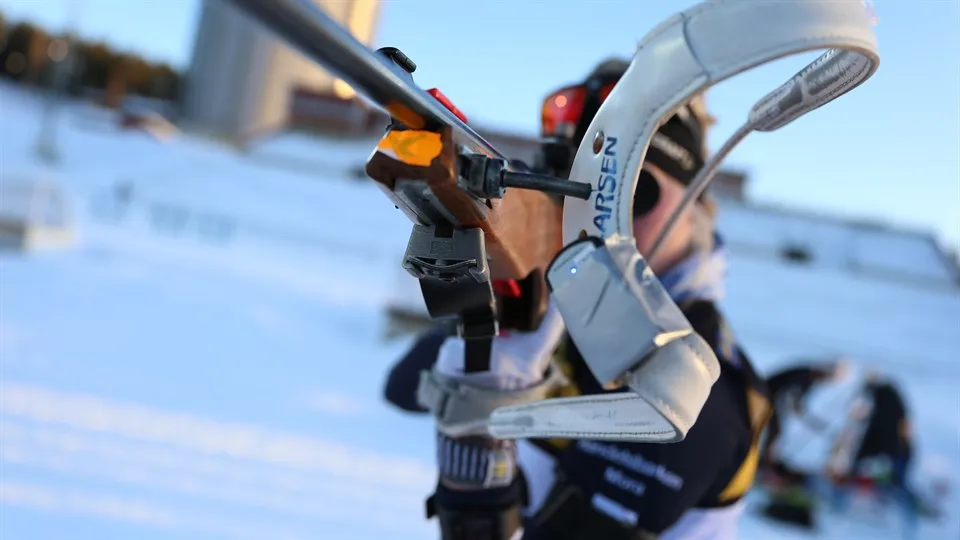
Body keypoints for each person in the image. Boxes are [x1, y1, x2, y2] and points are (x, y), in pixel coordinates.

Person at [383, 58, 771, 540]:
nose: (600, 217)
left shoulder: (698, 382)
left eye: (631, 190)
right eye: (579, 189)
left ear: (694, 205)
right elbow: (403, 385)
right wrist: (499, 300)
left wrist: (485, 395)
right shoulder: (565, 303)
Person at [760, 358, 851, 476]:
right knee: (774, 431)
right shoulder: (805, 375)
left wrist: (812, 420)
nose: (825, 380)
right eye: (828, 376)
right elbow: (791, 396)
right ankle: (765, 462)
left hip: (772, 400)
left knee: (775, 432)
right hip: (766, 397)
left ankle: (766, 461)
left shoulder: (810, 379)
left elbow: (796, 403)